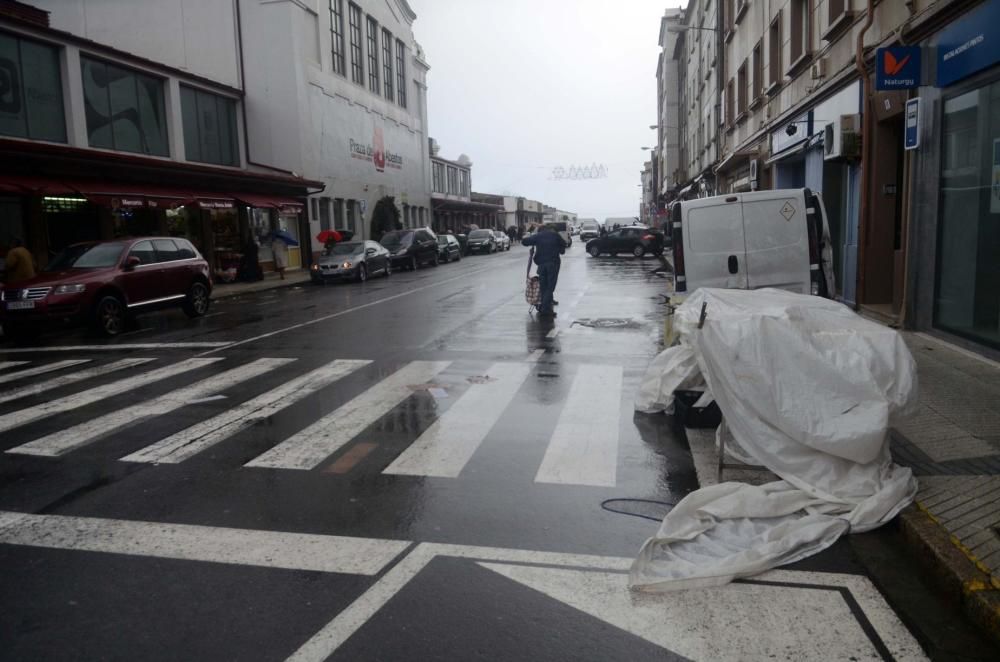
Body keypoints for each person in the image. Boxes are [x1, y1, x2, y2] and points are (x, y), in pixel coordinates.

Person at [521, 225, 564, 317]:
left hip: (541, 265)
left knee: (544, 287)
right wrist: (558, 249)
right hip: (553, 264)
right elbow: (563, 248)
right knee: (550, 287)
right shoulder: (555, 235)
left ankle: (546, 308)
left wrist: (526, 236)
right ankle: (545, 308)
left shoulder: (538, 236)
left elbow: (524, 242)